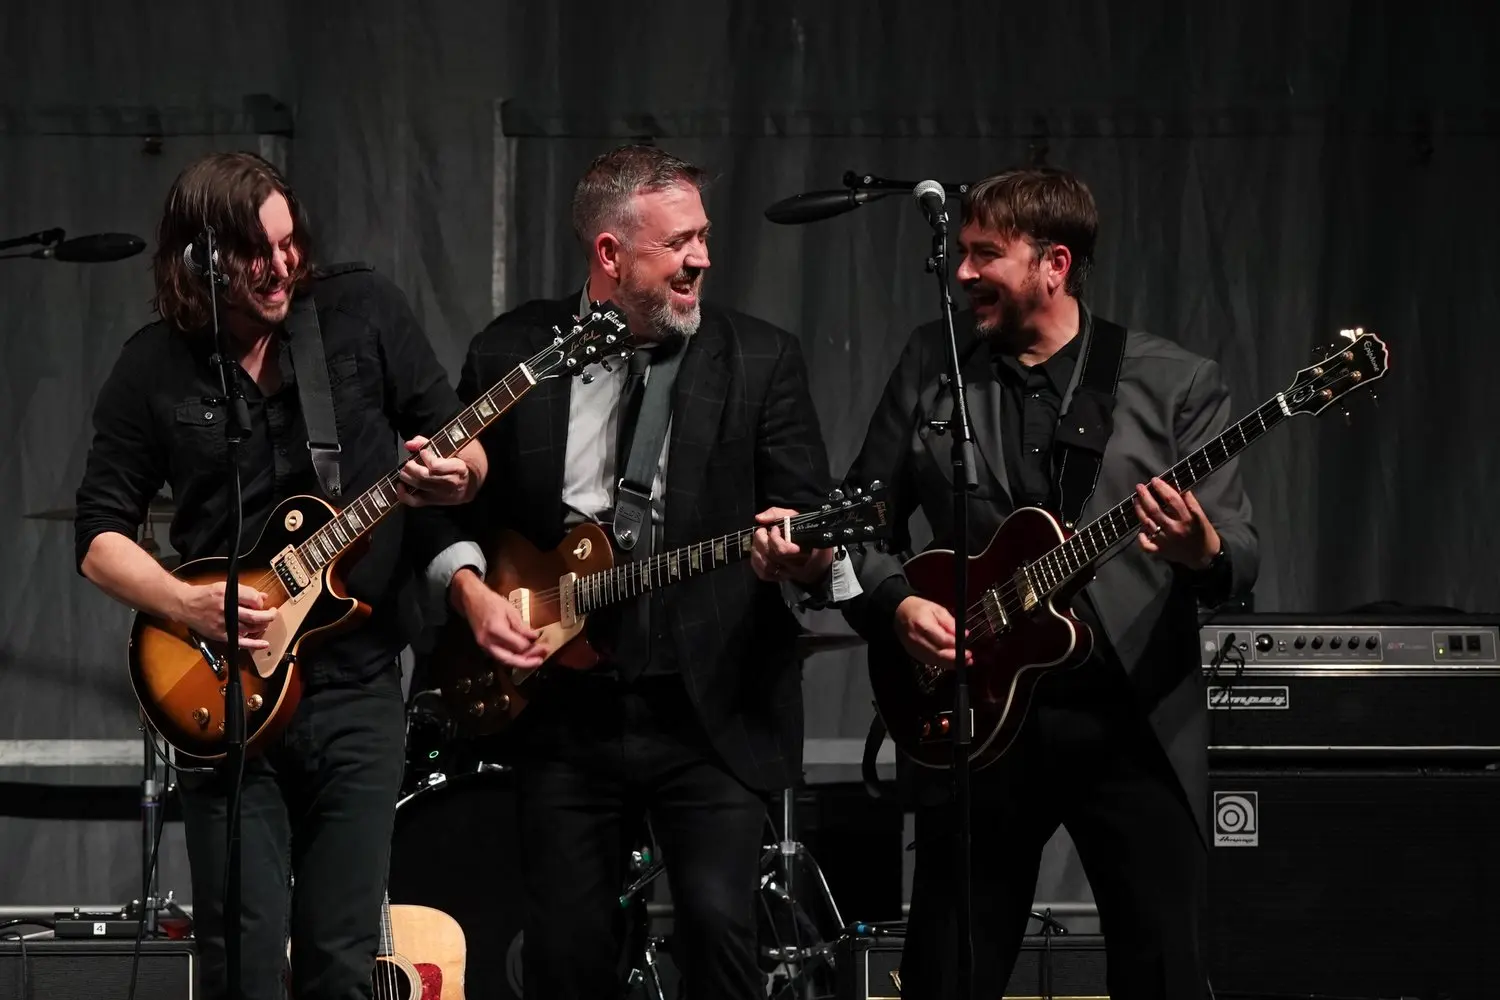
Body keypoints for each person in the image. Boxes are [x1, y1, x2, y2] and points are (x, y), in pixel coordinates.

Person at [415, 143, 843, 999]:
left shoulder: (762, 358)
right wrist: (470, 595)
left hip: (709, 705)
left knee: (719, 931)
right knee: (567, 955)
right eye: (678, 242)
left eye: (703, 237)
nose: (702, 259)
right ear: (610, 254)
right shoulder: (513, 351)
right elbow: (448, 507)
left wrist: (802, 553)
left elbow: (810, 522)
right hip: (561, 710)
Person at [73, 150, 485, 1000]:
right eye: (255, 252)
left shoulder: (362, 313)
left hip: (358, 688)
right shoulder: (153, 367)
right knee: (243, 959)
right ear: (200, 260)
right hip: (227, 696)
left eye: (289, 242)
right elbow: (98, 537)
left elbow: (464, 445)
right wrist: (189, 603)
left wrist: (459, 476)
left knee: (341, 961)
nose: (281, 266)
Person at [839, 166, 1259, 999]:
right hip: (979, 719)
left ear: (1054, 264)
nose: (961, 273)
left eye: (984, 254)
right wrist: (897, 604)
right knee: (947, 974)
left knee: (1164, 972)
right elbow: (855, 523)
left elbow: (1238, 555)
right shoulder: (932, 363)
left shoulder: (1174, 382)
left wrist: (1200, 548)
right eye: (960, 252)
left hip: (1131, 720)